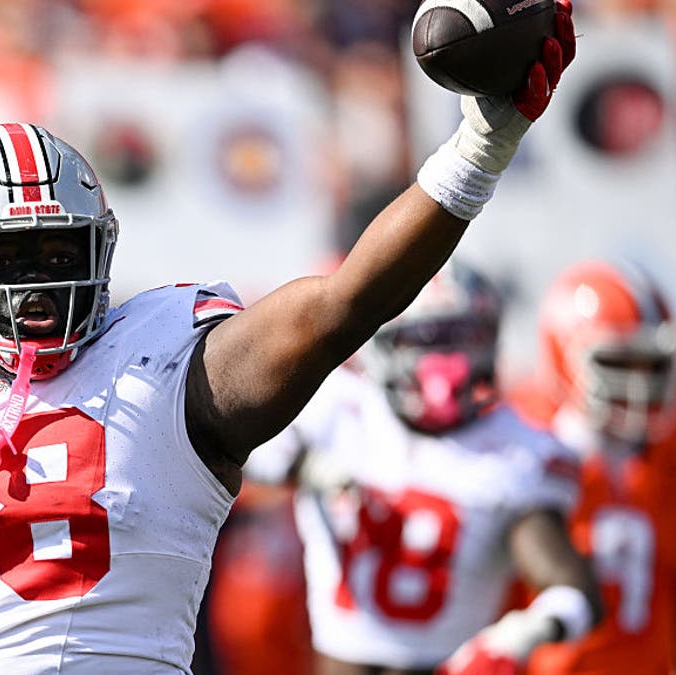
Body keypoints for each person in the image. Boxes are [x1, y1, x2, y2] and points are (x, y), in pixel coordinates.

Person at [0, 5, 578, 672]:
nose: (38, 279)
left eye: (58, 250)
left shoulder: (166, 366)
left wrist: (480, 145)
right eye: (6, 255)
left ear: (101, 247)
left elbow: (344, 302)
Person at [244, 259, 602, 675]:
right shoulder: (338, 410)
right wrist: (302, 466)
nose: (445, 361)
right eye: (424, 339)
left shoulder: (517, 451)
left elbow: (574, 590)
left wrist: (526, 631)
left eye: (460, 338)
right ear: (382, 346)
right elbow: (242, 448)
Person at [509, 259, 676, 675]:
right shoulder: (527, 443)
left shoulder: (675, 445)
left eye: (651, 366)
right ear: (563, 356)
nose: (640, 386)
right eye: (619, 365)